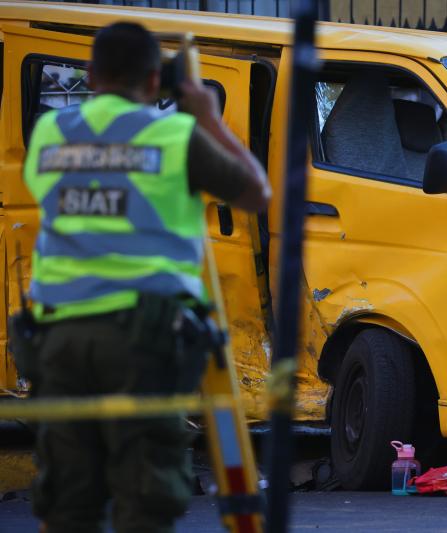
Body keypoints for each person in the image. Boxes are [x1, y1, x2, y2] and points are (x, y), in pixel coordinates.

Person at [21, 22, 270, 532]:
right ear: (156, 83)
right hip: (146, 337)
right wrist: (207, 120)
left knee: (68, 500)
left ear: (89, 75)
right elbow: (256, 195)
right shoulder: (173, 136)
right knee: (145, 499)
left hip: (59, 335)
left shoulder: (51, 133)